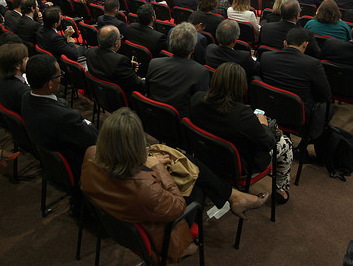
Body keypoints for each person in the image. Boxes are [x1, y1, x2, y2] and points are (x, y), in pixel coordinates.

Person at [80, 108, 268, 265]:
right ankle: (188, 242)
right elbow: (178, 207)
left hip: (116, 212)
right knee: (194, 179)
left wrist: (148, 163)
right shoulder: (147, 190)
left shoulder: (91, 154)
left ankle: (234, 197)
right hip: (160, 233)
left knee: (183, 161)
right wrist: (159, 169)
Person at [190, 62, 293, 204]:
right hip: (237, 166)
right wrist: (264, 125)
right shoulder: (242, 115)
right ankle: (281, 189)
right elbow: (267, 143)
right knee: (286, 143)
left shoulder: (197, 99)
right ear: (240, 87)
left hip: (205, 157)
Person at [22, 54, 98, 180]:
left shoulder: (26, 98)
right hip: (78, 166)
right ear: (49, 84)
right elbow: (93, 138)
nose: (60, 79)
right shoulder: (65, 117)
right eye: (59, 76)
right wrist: (84, 121)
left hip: (52, 162)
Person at [259, 28, 332, 140]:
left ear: (285, 43)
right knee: (327, 109)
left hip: (268, 108)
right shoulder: (313, 64)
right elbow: (326, 95)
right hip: (297, 116)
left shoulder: (266, 57)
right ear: (305, 45)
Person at [146, 22, 209, 117]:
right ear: (192, 49)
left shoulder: (154, 63)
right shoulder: (200, 72)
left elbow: (147, 92)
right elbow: (201, 108)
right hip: (180, 126)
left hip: (153, 117)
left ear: (170, 45)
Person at [86, 25, 144, 98]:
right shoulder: (120, 61)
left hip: (100, 95)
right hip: (119, 100)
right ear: (116, 43)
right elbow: (137, 85)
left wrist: (127, 68)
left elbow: (107, 66)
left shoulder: (90, 52)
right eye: (120, 37)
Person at [0, 42, 30, 114]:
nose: (29, 59)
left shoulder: (1, 78)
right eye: (26, 59)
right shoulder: (24, 91)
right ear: (17, 66)